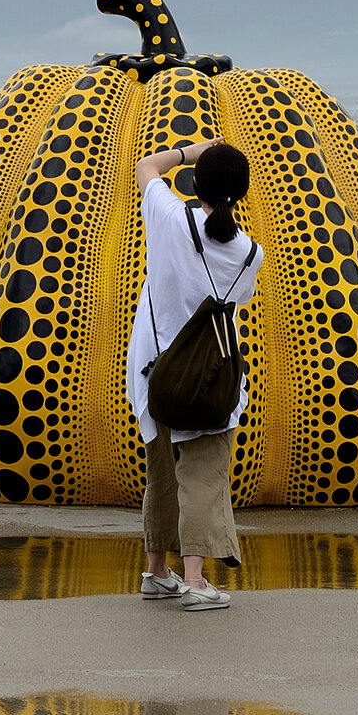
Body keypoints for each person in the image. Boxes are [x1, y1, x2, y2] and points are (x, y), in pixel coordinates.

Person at [128, 137, 264, 612]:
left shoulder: (169, 218)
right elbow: (234, 302)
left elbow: (146, 165)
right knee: (203, 475)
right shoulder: (250, 254)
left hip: (153, 370)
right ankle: (195, 579)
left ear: (196, 184)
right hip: (207, 376)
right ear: (241, 193)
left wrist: (192, 151)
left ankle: (157, 572)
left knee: (161, 472)